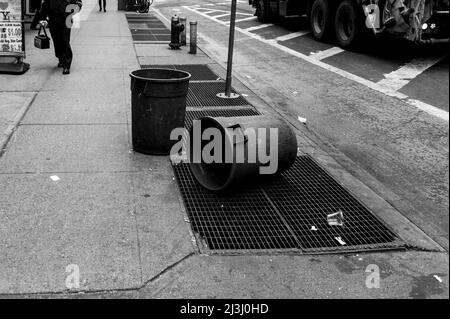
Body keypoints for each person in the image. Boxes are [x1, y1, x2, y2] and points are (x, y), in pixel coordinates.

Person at [38, 0, 83, 75]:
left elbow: (79, 3)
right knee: (57, 41)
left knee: (65, 41)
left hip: (66, 20)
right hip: (53, 21)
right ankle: (61, 58)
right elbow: (45, 4)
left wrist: (70, 11)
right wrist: (42, 18)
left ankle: (67, 65)